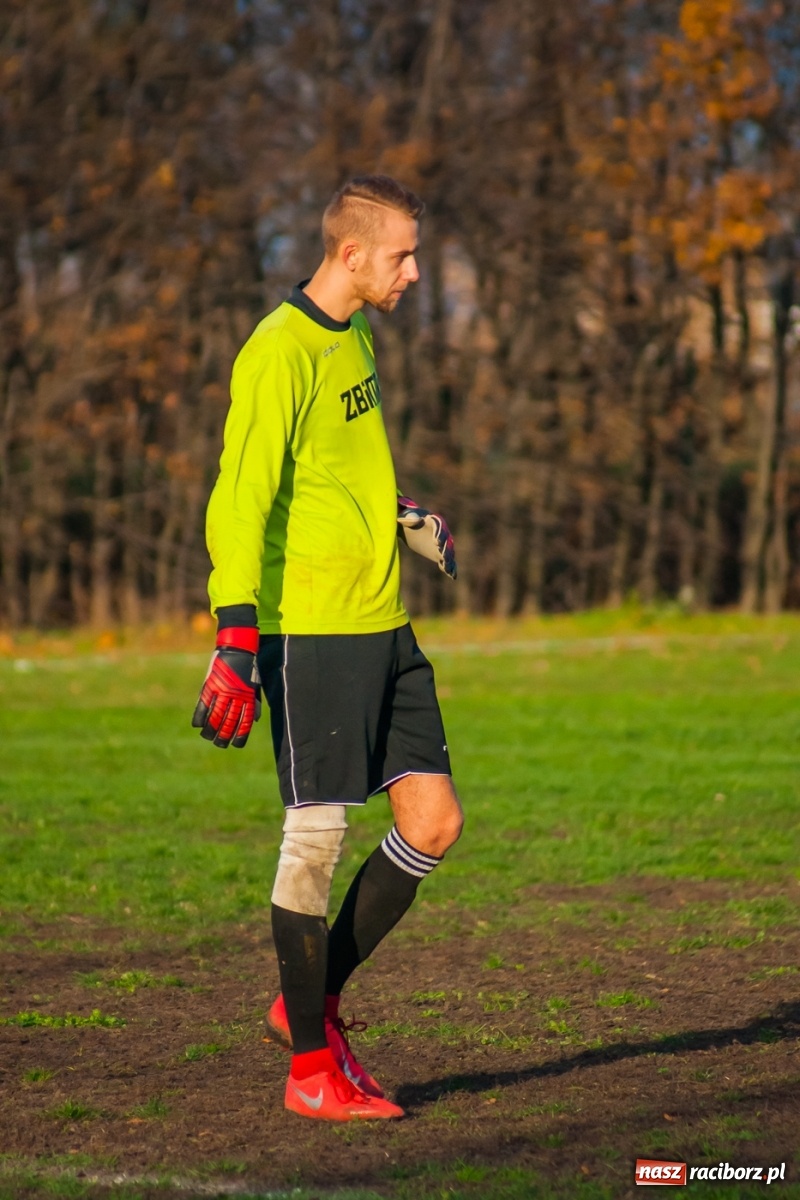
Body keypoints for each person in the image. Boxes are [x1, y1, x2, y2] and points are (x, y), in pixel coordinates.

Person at [192, 175, 463, 1122]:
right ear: (351, 256)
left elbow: (331, 472)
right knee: (315, 842)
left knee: (432, 823)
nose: (416, 273)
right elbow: (242, 497)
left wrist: (398, 513)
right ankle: (311, 1069)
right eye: (401, 256)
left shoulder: (354, 336)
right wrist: (236, 637)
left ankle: (303, 1001)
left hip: (384, 620)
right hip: (312, 631)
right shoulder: (276, 351)